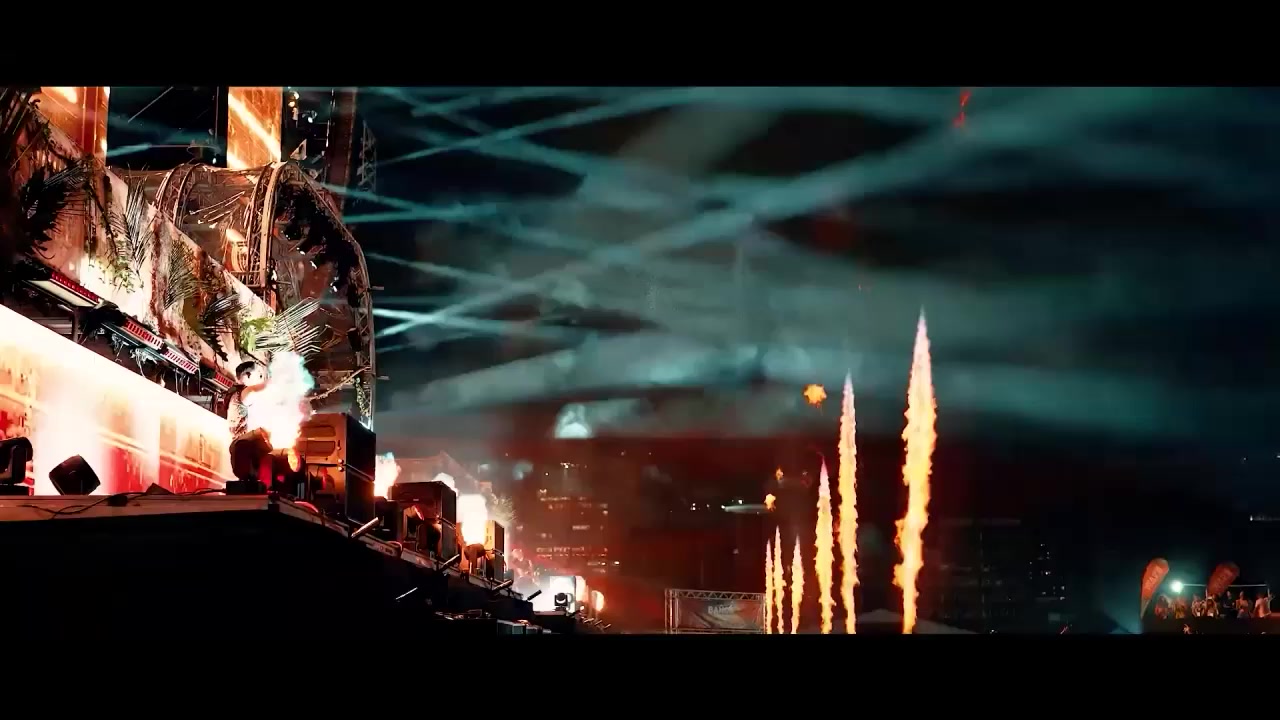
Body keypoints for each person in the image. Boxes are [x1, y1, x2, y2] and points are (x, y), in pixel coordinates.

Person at [226, 361, 273, 484]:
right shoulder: (241, 393)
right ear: (247, 376)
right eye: (259, 375)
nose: (261, 378)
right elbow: (254, 391)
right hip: (242, 446)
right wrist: (278, 381)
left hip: (244, 448)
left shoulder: (238, 393)